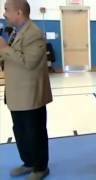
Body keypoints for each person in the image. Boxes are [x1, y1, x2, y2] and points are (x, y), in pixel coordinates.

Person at [0, 0, 52, 179]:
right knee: (20, 131)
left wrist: (5, 49)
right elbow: (11, 59)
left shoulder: (34, 33)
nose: (4, 14)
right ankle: (28, 162)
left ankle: (40, 167)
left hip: (31, 95)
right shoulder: (14, 32)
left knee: (34, 132)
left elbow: (29, 63)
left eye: (6, 10)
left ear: (19, 12)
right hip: (16, 94)